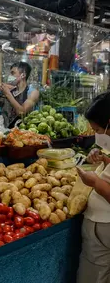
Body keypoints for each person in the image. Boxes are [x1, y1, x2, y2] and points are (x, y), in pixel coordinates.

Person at [76, 92, 110, 283]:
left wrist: (95, 182)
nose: (97, 135)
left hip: (104, 226)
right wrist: (105, 160)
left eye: (98, 129)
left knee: (95, 276)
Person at [0, 62, 40, 128]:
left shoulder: (33, 92)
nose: (10, 76)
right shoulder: (13, 90)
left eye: (13, 73)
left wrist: (8, 94)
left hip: (24, 132)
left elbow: (21, 112)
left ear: (23, 75)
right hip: (7, 130)